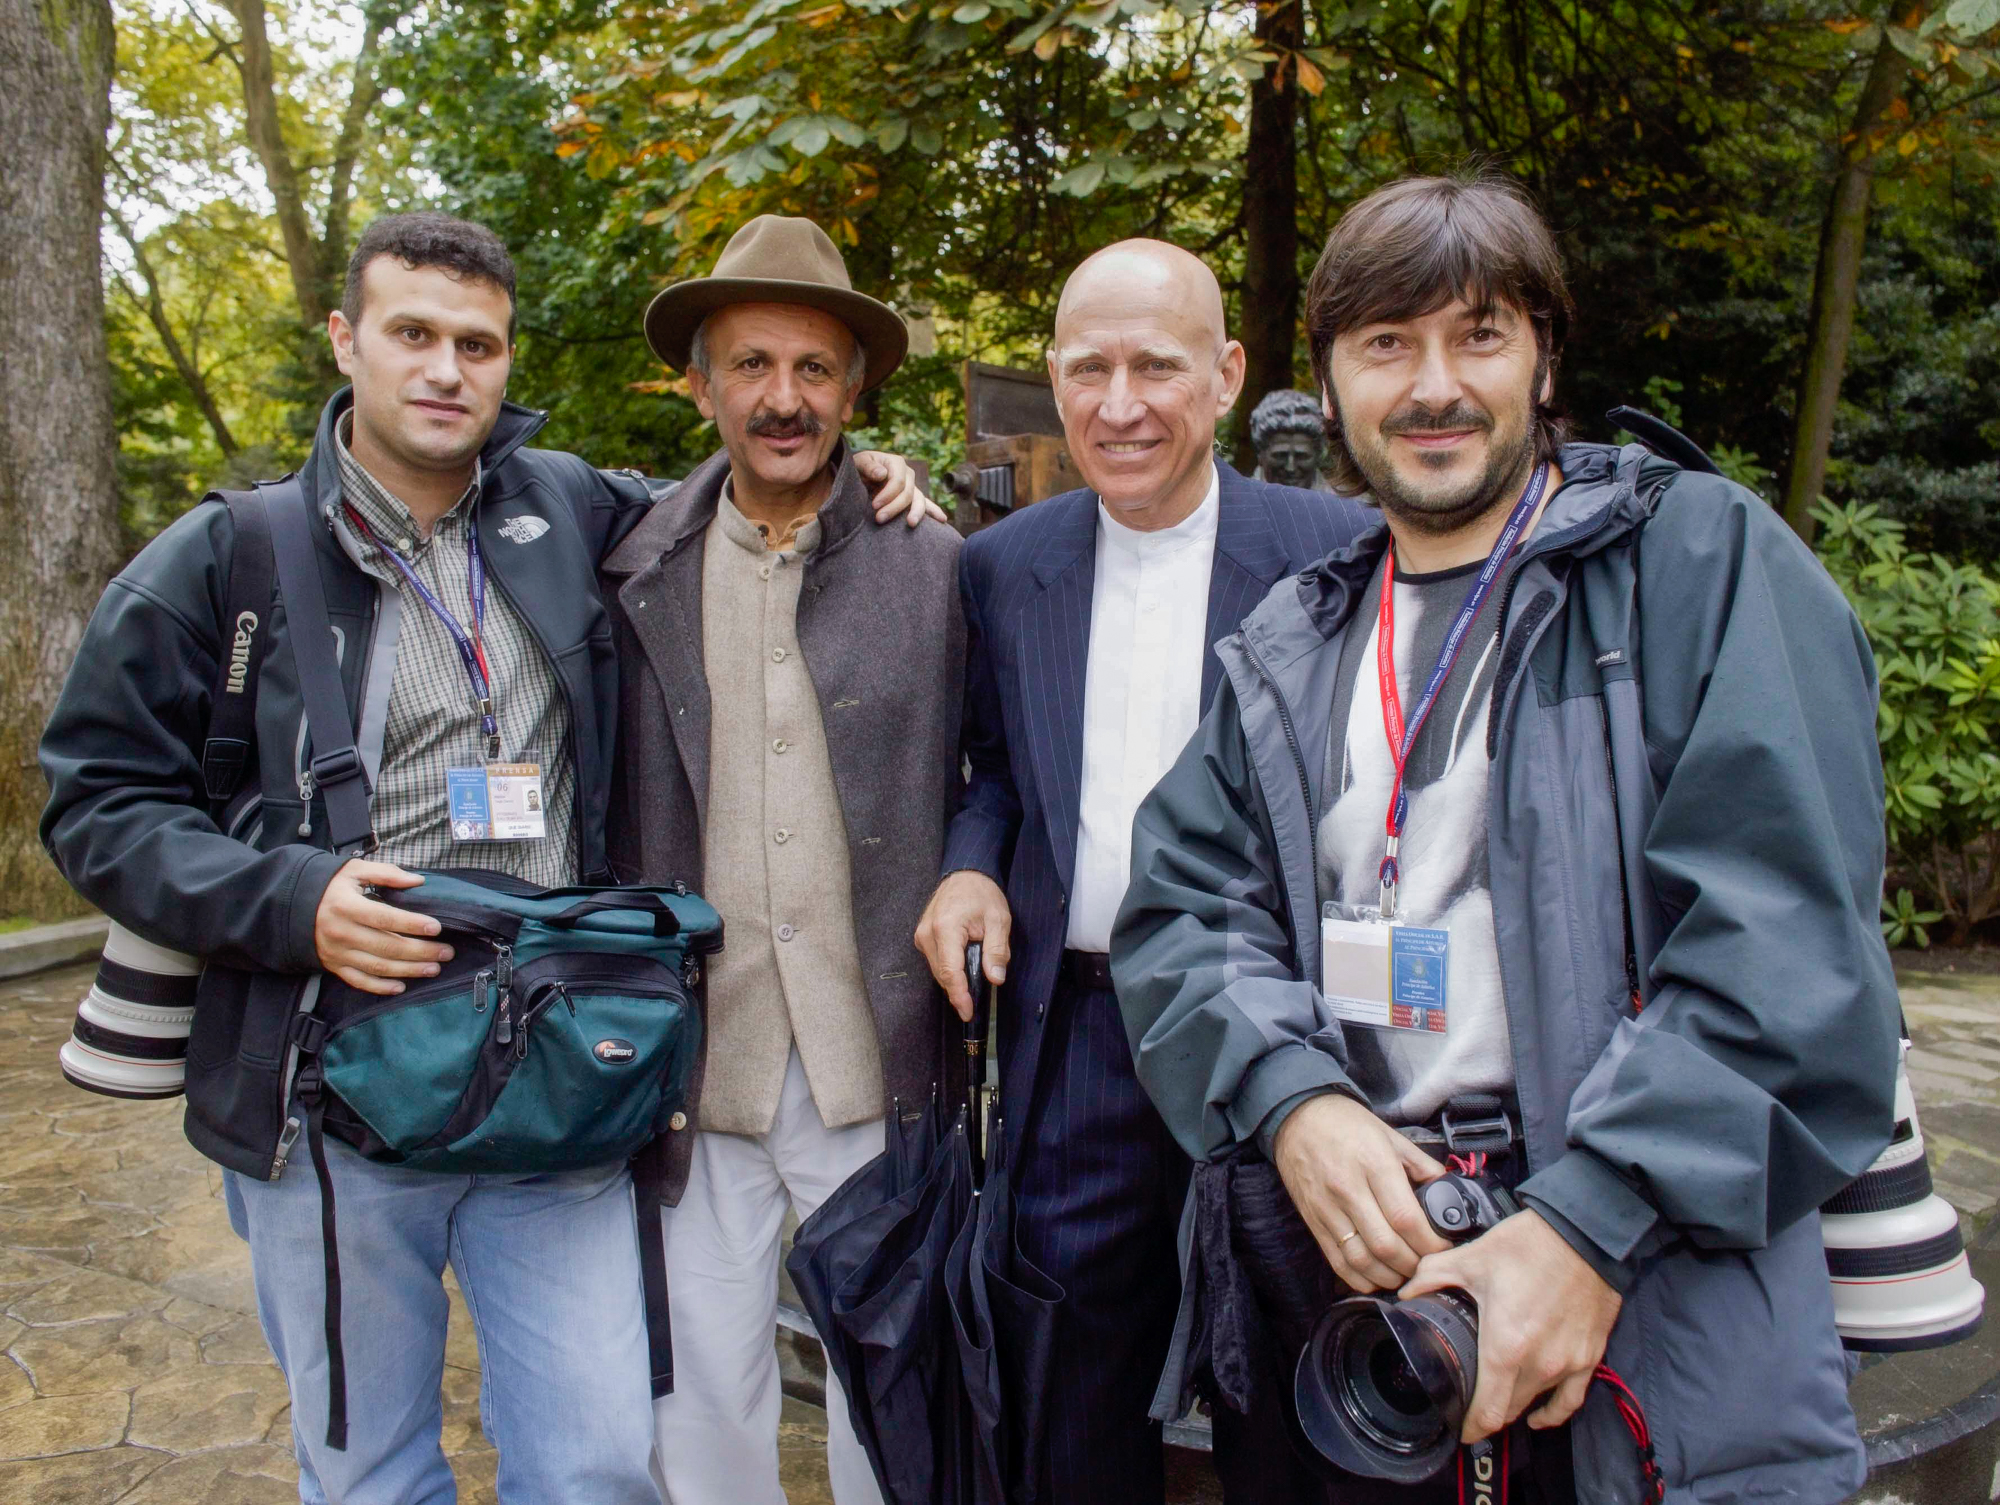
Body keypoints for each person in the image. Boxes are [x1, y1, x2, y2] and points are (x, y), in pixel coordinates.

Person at [38, 210, 933, 1505]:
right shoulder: (227, 556)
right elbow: (98, 799)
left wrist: (862, 474)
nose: (445, 369)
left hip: (557, 1080)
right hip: (327, 1084)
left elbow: (756, 487)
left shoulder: (567, 510)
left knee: (593, 1462)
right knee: (372, 1473)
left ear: (509, 362)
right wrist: (290, 899)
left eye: (477, 343)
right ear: (347, 341)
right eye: (412, 334)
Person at [1112, 172, 1900, 1503]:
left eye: (1478, 334)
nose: (1433, 386)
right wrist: (1291, 1101)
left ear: (1543, 356)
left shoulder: (1697, 564)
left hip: (1642, 1277)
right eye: (1386, 343)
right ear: (1328, 377)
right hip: (1362, 1278)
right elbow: (1182, 912)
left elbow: (1787, 939)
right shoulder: (1292, 642)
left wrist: (1588, 1224)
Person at [914, 239, 1370, 1504]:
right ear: (1055, 381)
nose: (1120, 404)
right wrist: (969, 868)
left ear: (1223, 375)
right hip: (1084, 1027)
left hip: (1281, 1027)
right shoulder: (1005, 564)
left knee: (1289, 1374)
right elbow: (995, 766)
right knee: (1066, 1375)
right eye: (1089, 368)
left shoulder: (1338, 550)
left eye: (1155, 367)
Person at [599, 213, 964, 1505]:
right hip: (702, 1056)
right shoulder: (630, 562)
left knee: (888, 1383)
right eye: (750, 365)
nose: (783, 397)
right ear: (698, 385)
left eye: (815, 369)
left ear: (856, 389)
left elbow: (992, 783)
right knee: (702, 1391)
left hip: (880, 1048)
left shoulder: (934, 563)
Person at [1249, 388, 1336, 491]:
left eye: (1302, 456)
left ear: (1318, 455)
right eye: (1280, 455)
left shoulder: (1348, 504)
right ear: (1260, 454)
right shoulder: (1232, 500)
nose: (1290, 468)